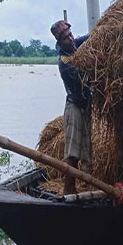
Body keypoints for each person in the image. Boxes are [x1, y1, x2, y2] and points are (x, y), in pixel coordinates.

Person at [51, 19, 92, 195]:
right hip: (74, 107)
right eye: (66, 38)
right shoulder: (64, 63)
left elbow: (91, 37)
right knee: (73, 152)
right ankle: (69, 189)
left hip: (86, 106)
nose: (71, 38)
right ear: (59, 42)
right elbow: (85, 75)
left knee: (87, 147)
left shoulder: (74, 45)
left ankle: (82, 187)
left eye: (70, 34)